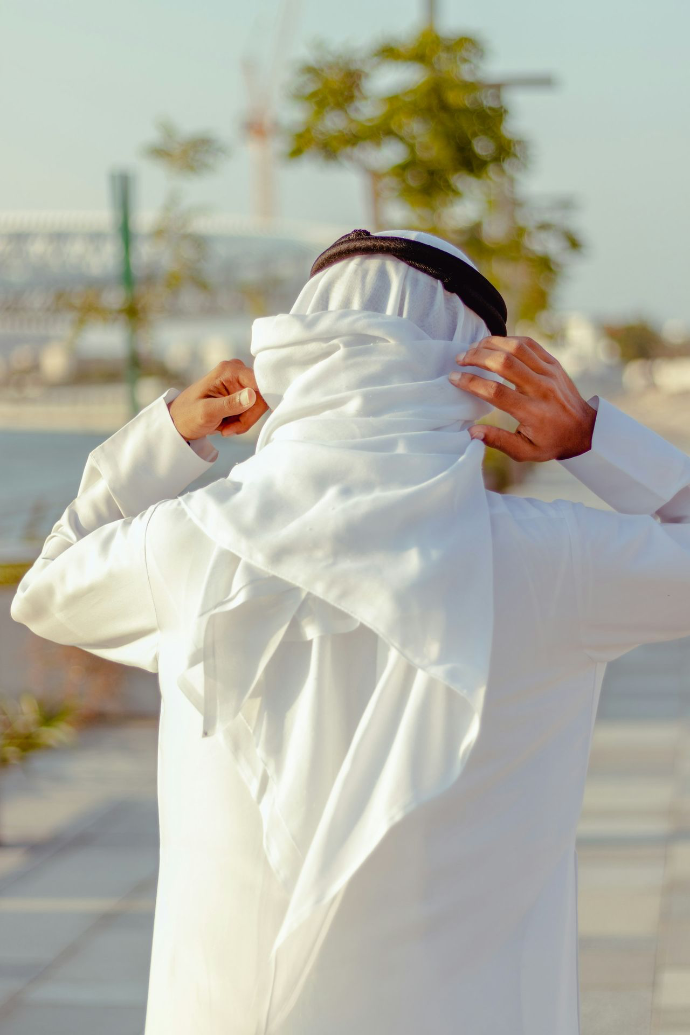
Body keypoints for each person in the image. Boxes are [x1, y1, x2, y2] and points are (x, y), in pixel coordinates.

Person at [10, 229, 690, 1035]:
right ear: (480, 373)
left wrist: (164, 439)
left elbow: (47, 587)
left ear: (299, 352)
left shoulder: (190, 544)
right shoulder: (551, 564)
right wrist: (590, 437)